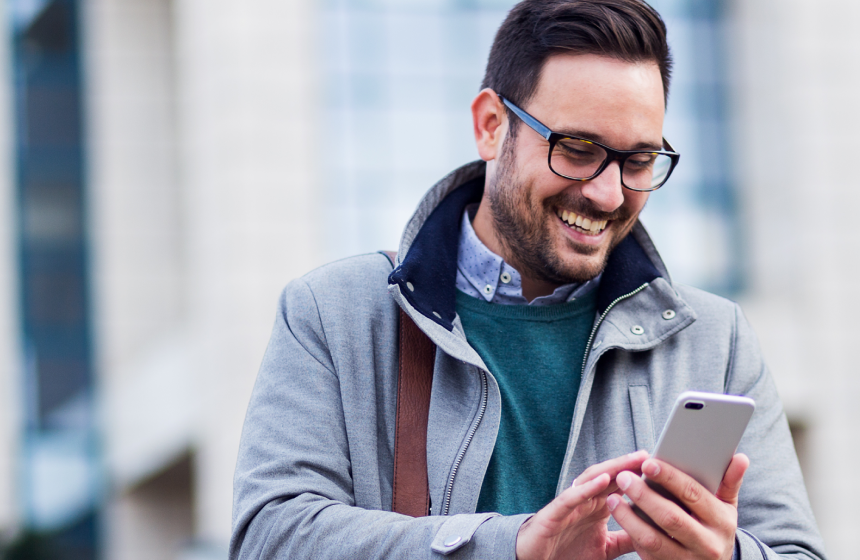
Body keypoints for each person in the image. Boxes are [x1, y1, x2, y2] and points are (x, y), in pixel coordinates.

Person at [230, 1, 827, 559]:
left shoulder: (717, 340)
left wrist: (728, 555)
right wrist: (509, 546)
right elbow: (269, 537)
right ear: (491, 126)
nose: (608, 194)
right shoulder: (331, 313)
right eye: (578, 148)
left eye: (639, 161)